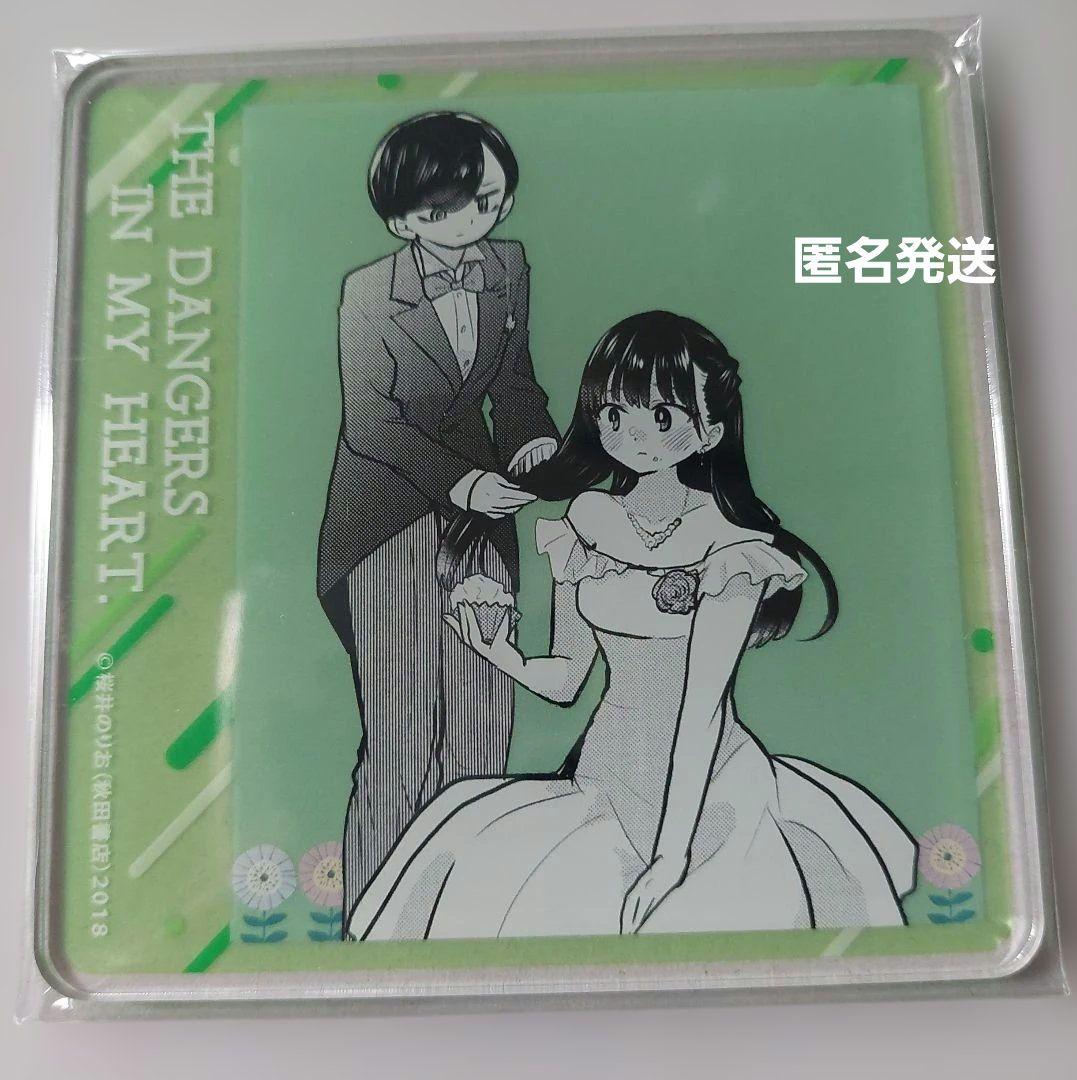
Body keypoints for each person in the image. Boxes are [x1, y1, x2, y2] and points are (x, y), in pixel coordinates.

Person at [346, 311, 916, 940]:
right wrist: (499, 651)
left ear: (709, 433)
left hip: (707, 786)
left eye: (663, 417)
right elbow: (568, 678)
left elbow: (700, 712)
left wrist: (672, 857)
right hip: (603, 774)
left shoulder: (731, 549)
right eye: (615, 413)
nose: (633, 433)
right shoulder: (587, 520)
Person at [317, 112, 560, 927]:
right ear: (405, 219)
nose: (475, 218)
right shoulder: (366, 292)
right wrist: (464, 485)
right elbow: (370, 425)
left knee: (481, 735)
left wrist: (532, 444)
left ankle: (465, 923)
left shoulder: (509, 267)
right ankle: (369, 929)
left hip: (483, 517)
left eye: (489, 198)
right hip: (387, 518)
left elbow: (515, 386)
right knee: (400, 741)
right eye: (448, 207)